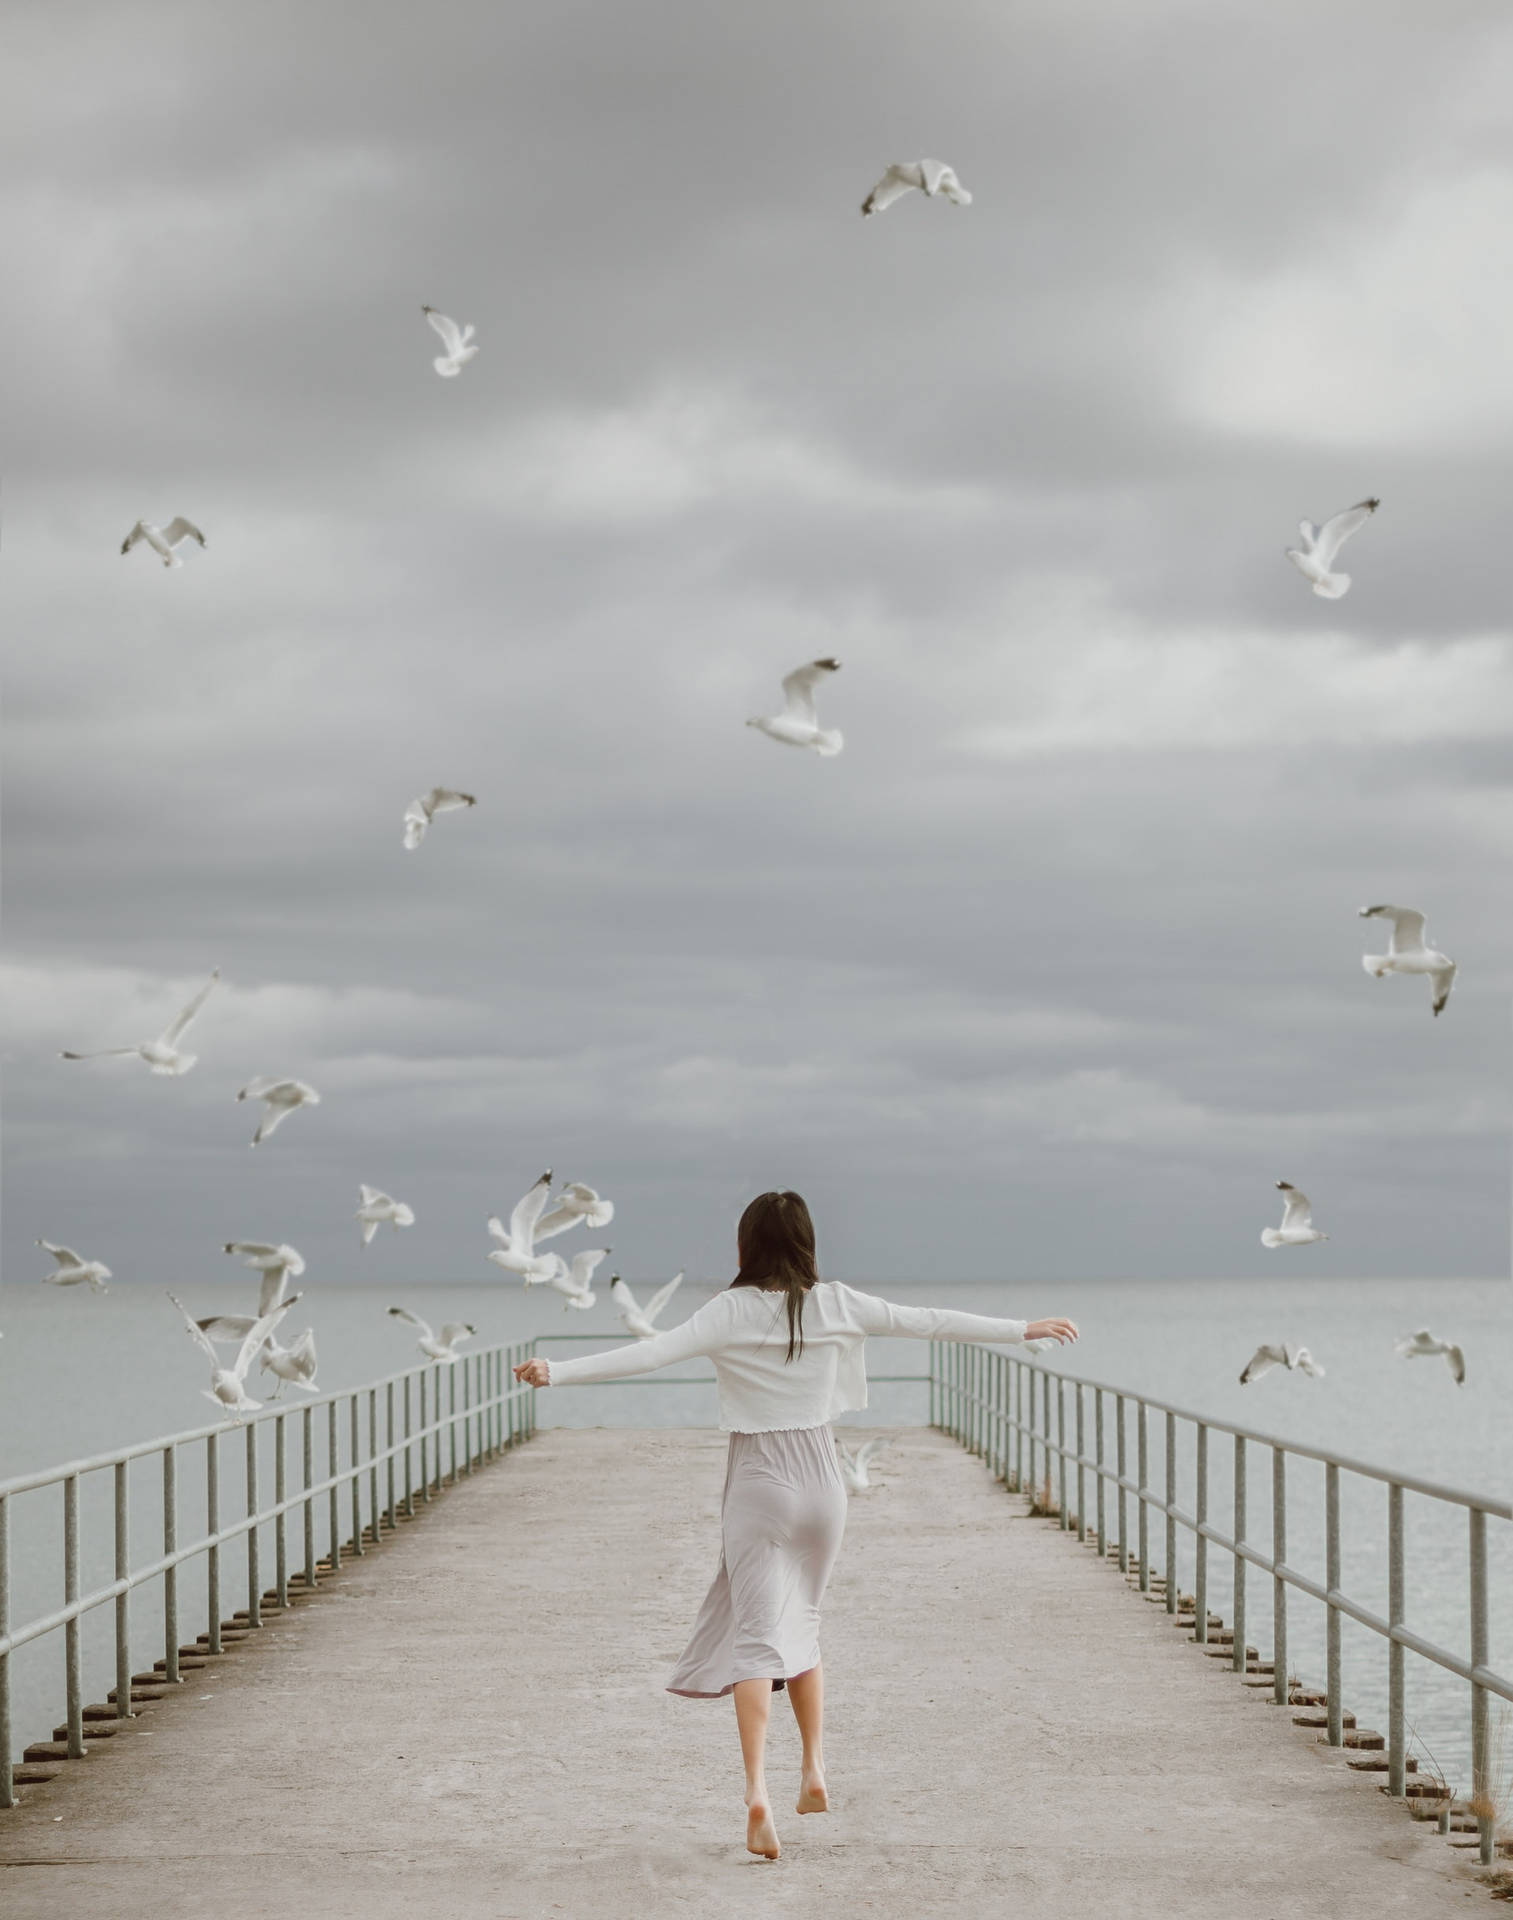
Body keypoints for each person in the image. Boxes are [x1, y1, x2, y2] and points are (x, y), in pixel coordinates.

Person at [513, 1189, 1078, 1861]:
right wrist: (1023, 1328)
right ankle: (813, 1770)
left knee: (755, 1640)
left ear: (745, 1245)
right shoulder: (837, 1302)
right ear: (808, 1242)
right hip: (822, 1481)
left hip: (760, 1480)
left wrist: (558, 1371)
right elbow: (925, 1320)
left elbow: (651, 1353)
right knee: (803, 1622)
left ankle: (757, 1793)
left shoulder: (729, 1310)